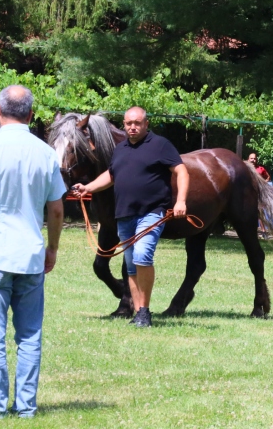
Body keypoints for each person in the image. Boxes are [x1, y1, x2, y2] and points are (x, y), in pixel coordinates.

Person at [0, 85, 65, 418]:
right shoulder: (45, 154)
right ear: (30, 115)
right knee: (29, 336)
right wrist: (52, 248)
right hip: (30, 256)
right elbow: (55, 210)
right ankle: (26, 407)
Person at [73, 107, 189, 328]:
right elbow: (111, 175)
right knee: (131, 265)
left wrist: (181, 201)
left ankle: (144, 311)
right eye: (128, 123)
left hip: (152, 212)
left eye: (137, 123)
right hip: (125, 215)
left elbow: (181, 171)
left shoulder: (160, 145)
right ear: (124, 125)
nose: (132, 127)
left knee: (142, 256)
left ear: (146, 124)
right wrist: (88, 187)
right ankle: (138, 313)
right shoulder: (120, 149)